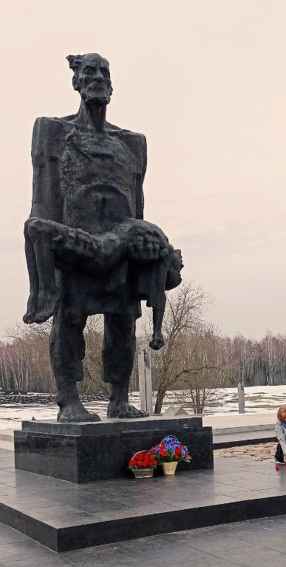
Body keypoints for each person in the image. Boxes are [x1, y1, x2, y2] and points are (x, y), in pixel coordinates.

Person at [22, 53, 183, 422]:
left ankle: (119, 399)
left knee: (123, 321)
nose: (97, 78)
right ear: (76, 81)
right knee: (69, 317)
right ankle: (69, 400)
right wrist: (45, 252)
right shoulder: (52, 131)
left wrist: (145, 255)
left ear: (112, 85)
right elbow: (43, 196)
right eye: (89, 72)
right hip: (77, 242)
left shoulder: (132, 143)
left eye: (104, 72)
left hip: (124, 245)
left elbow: (136, 202)